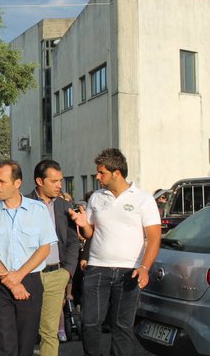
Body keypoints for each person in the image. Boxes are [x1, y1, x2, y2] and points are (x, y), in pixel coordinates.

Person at [69, 148, 161, 356]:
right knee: (90, 323)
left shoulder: (143, 199)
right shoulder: (96, 198)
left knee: (122, 327)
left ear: (116, 173)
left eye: (101, 173)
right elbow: (90, 232)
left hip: (129, 271)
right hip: (97, 269)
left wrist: (145, 268)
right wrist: (83, 224)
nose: (97, 176)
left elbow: (154, 238)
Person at [0, 160, 57, 356]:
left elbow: (44, 249)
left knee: (25, 344)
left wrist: (19, 276)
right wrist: (11, 282)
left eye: (2, 181)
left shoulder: (38, 210)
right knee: (3, 344)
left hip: (30, 282)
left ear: (17, 183)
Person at [26, 160, 80, 356]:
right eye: (54, 181)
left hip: (57, 274)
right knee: (26, 330)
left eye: (61, 180)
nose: (60, 185)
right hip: (30, 276)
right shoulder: (25, 205)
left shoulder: (65, 207)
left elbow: (74, 241)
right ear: (39, 181)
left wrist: (68, 272)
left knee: (50, 332)